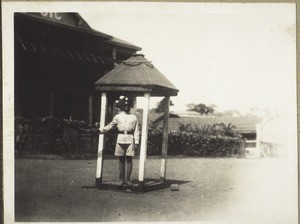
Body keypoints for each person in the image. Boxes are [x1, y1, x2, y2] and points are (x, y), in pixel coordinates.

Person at [99, 95, 139, 186]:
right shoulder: (118, 117)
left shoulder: (134, 117)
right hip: (120, 138)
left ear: (130, 107)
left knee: (129, 159)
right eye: (125, 106)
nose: (126, 107)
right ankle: (121, 179)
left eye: (128, 105)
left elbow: (136, 131)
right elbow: (111, 125)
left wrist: (136, 142)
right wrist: (102, 129)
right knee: (121, 159)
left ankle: (128, 179)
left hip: (130, 139)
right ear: (122, 107)